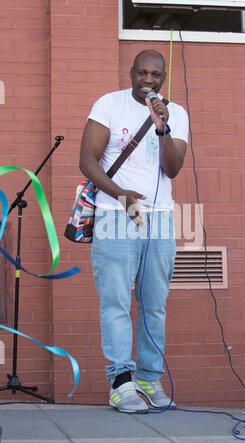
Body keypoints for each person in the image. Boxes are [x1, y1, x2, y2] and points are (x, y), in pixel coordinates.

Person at [79, 49, 189, 414]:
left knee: (154, 304)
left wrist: (163, 127)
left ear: (163, 77)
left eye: (155, 75)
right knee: (116, 301)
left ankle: (148, 378)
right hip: (115, 214)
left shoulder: (175, 115)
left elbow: (172, 170)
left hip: (159, 219)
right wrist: (121, 195)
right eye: (142, 73)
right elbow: (87, 160)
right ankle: (121, 382)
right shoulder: (109, 104)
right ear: (131, 73)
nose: (148, 80)